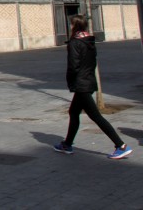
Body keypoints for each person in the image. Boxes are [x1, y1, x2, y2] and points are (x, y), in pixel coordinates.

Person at [53, 14, 133, 160]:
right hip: (89, 80)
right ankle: (67, 144)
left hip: (81, 84)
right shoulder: (89, 41)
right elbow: (92, 63)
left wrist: (71, 82)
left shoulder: (75, 43)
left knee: (96, 116)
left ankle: (120, 146)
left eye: (71, 24)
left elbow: (73, 66)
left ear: (75, 26)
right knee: (73, 112)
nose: (69, 26)